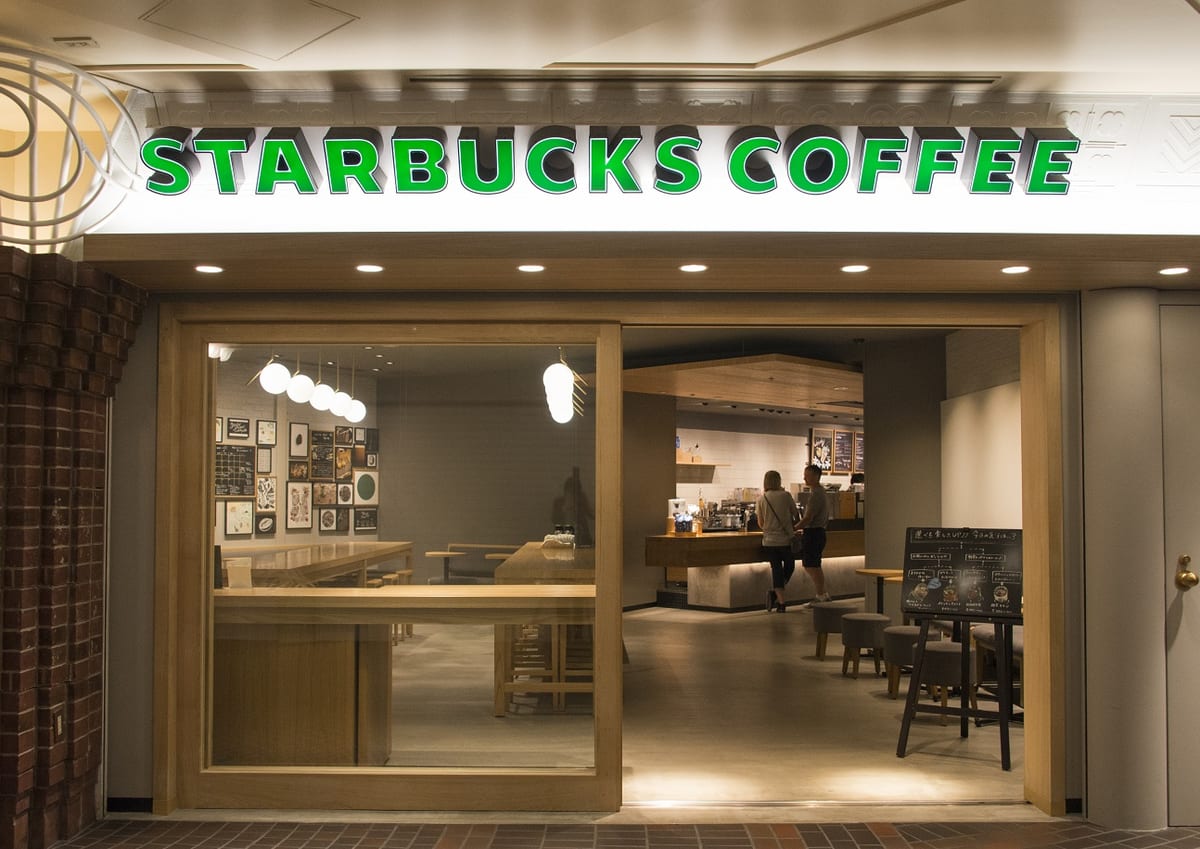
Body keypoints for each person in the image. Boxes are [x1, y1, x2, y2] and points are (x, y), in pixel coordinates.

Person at [756, 470, 799, 613]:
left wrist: (770, 526)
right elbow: (796, 514)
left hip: (769, 541)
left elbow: (760, 523)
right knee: (790, 567)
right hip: (786, 540)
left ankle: (778, 597)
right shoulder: (786, 496)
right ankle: (780, 601)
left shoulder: (761, 499)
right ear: (779, 481)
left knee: (776, 570)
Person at [797, 463, 831, 605]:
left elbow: (808, 517)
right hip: (818, 532)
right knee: (814, 565)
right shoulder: (820, 492)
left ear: (816, 476)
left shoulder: (816, 494)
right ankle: (822, 594)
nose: (804, 478)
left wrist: (795, 528)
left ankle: (821, 594)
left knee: (811, 565)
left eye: (807, 475)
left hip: (813, 533)